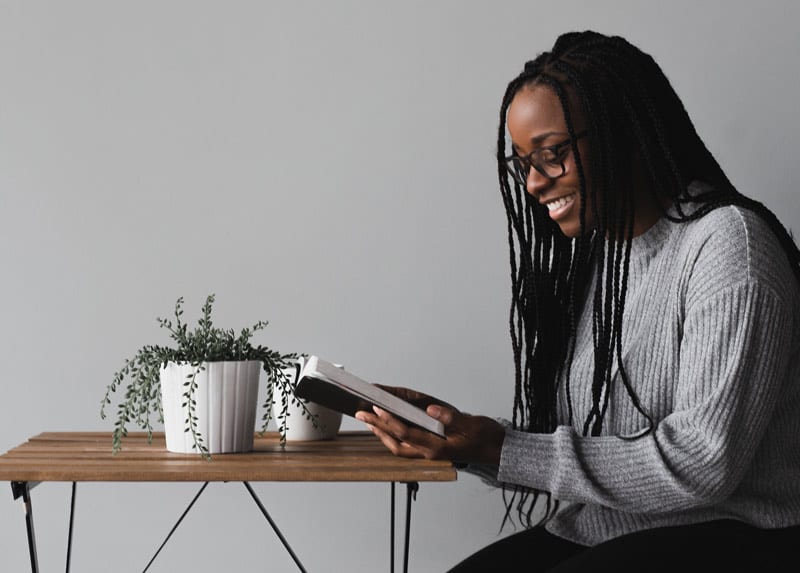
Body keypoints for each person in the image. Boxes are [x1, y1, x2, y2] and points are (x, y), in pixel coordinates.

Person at [355, 30, 800, 571]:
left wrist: (502, 447)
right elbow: (594, 444)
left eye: (552, 154)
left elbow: (705, 464)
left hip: (739, 534)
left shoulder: (731, 247)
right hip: (606, 527)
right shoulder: (602, 261)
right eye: (523, 163)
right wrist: (462, 438)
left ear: (623, 133)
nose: (535, 183)